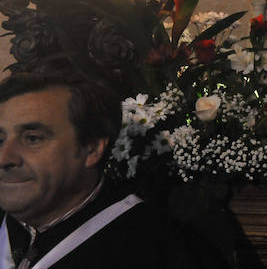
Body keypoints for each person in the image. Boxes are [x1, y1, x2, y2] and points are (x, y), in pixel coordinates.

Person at [0, 70, 209, 268]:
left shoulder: (158, 248)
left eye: (33, 138)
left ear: (91, 149)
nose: (4, 158)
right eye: (0, 139)